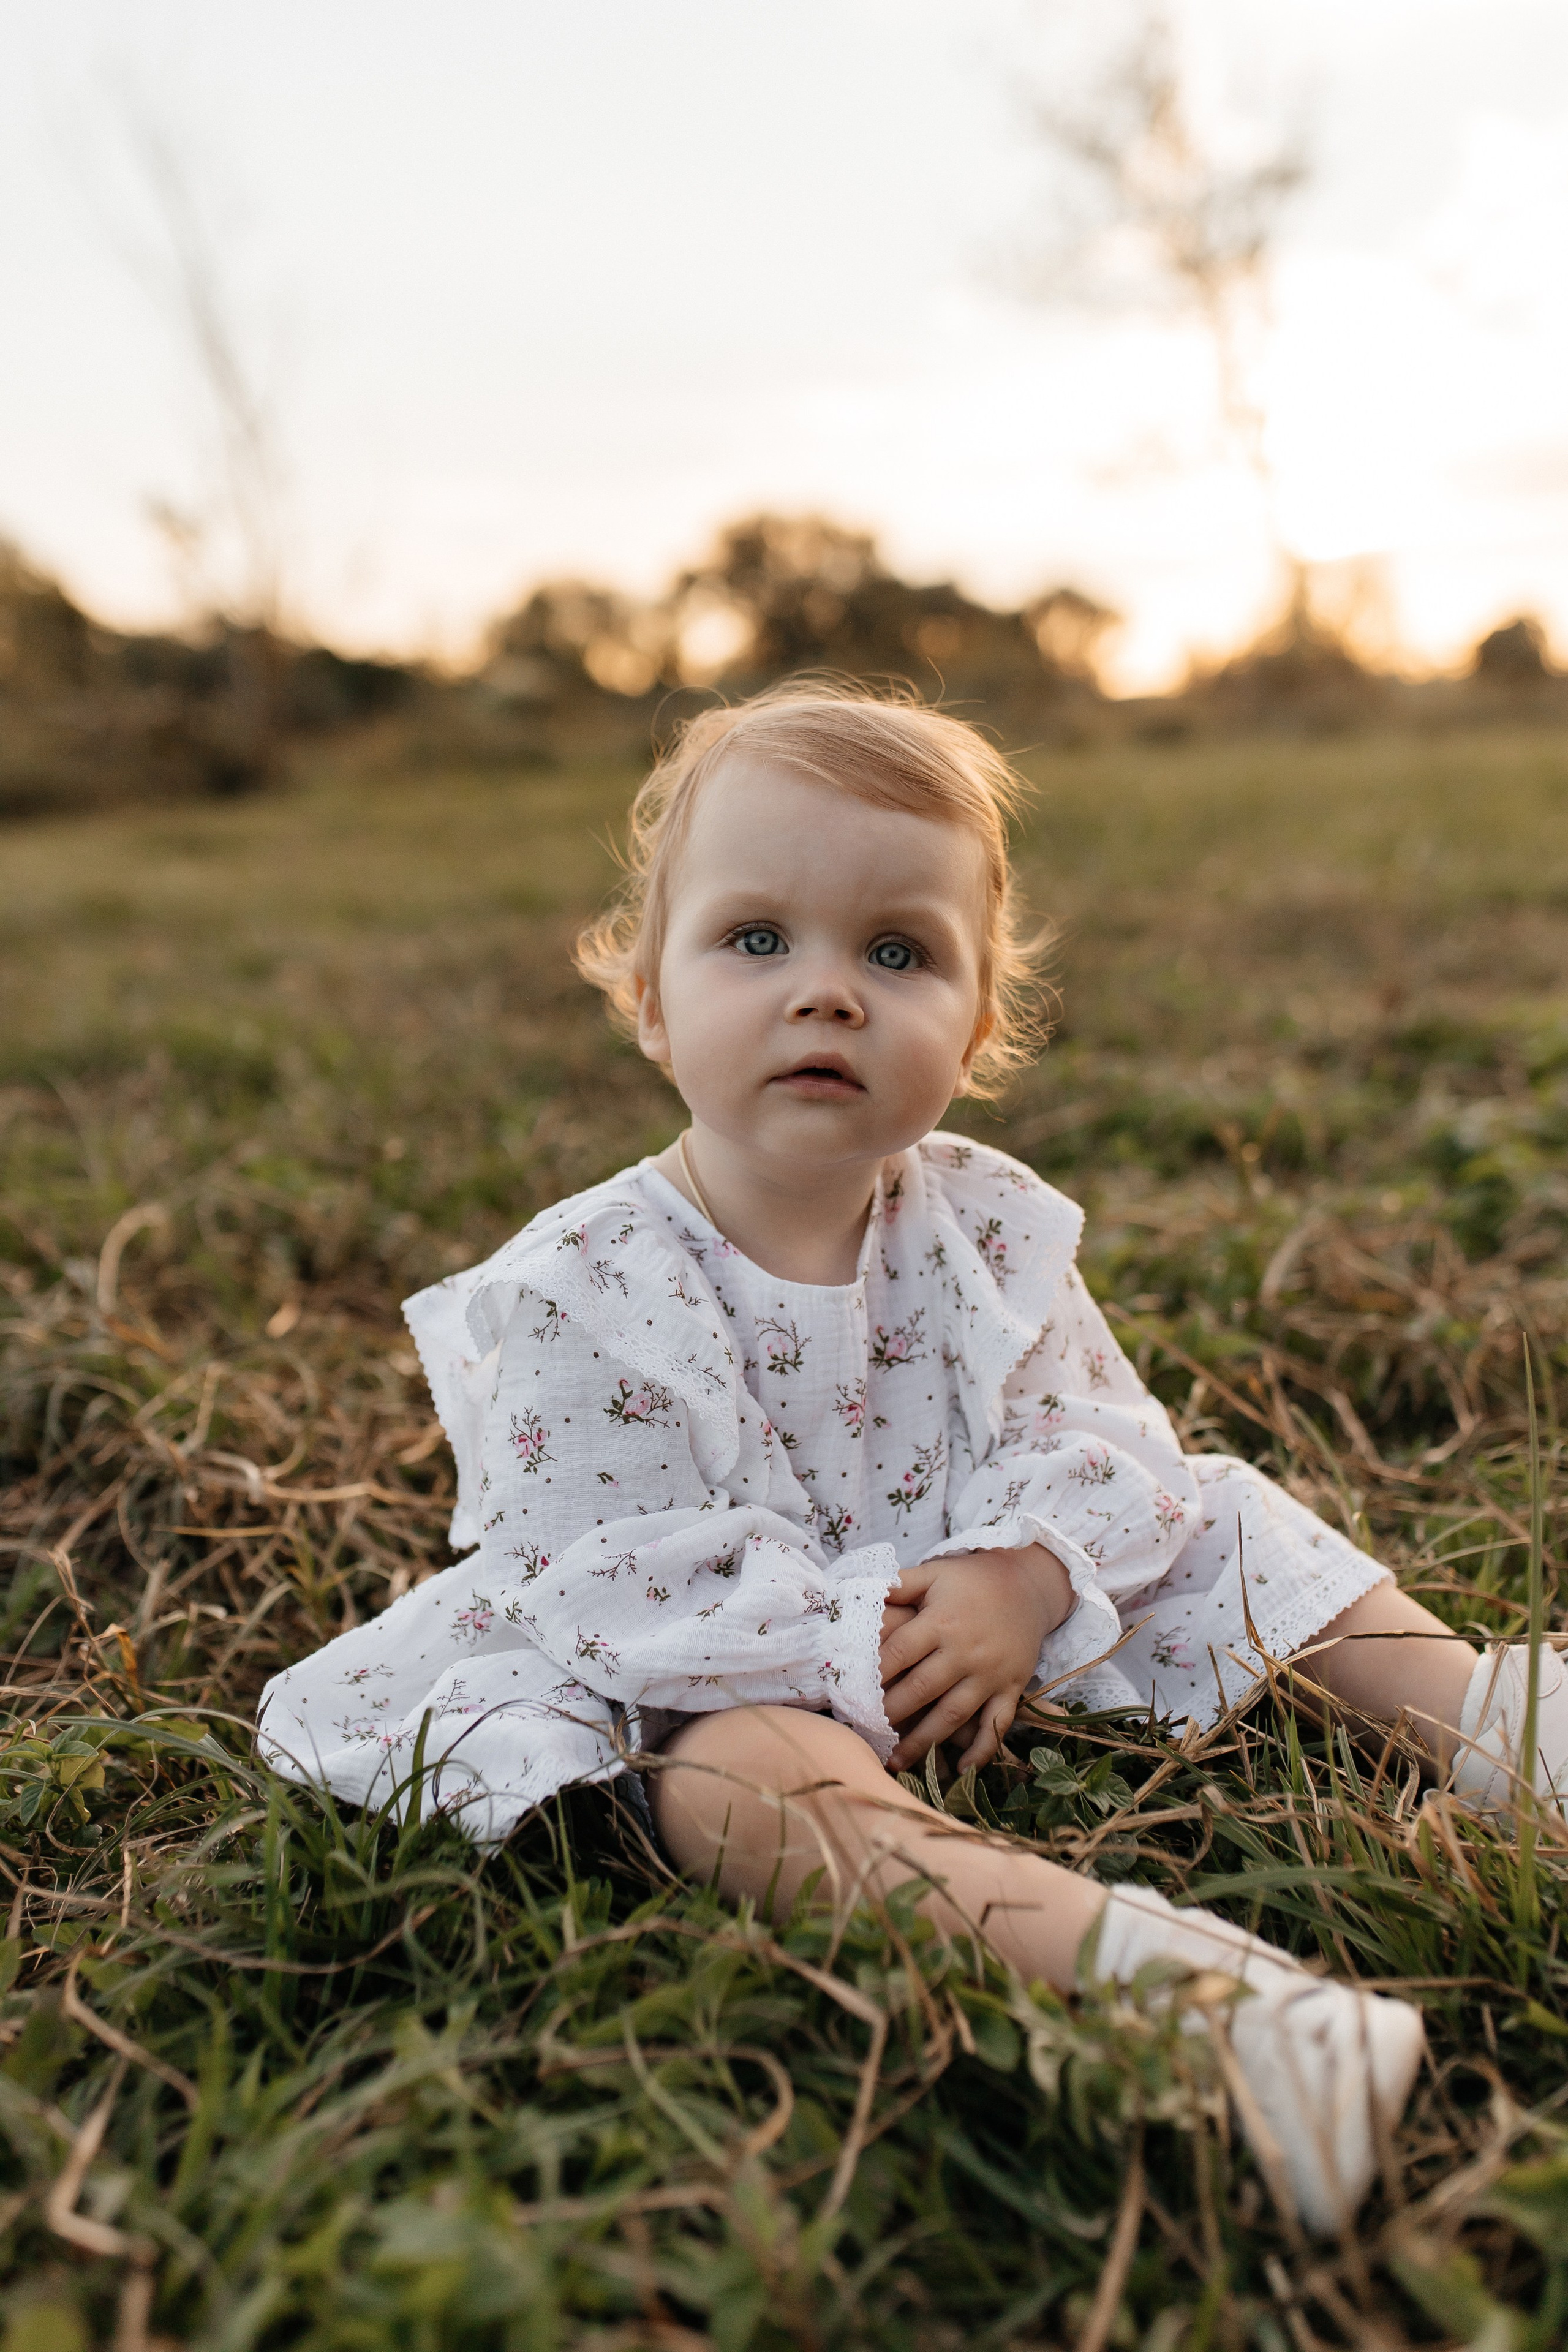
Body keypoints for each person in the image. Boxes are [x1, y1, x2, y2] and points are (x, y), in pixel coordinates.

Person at [258, 685, 1563, 2234]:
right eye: (757, 939)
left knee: (1217, 1514)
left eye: (896, 953)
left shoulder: (981, 1220)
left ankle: (1494, 1721)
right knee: (726, 1775)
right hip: (718, 1655)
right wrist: (844, 1644)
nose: (827, 994)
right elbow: (611, 1569)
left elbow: (1091, 1429)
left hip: (969, 1590)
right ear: (651, 1002)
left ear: (977, 1027)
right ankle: (1163, 1994)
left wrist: (1025, 1574)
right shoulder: (584, 1284)